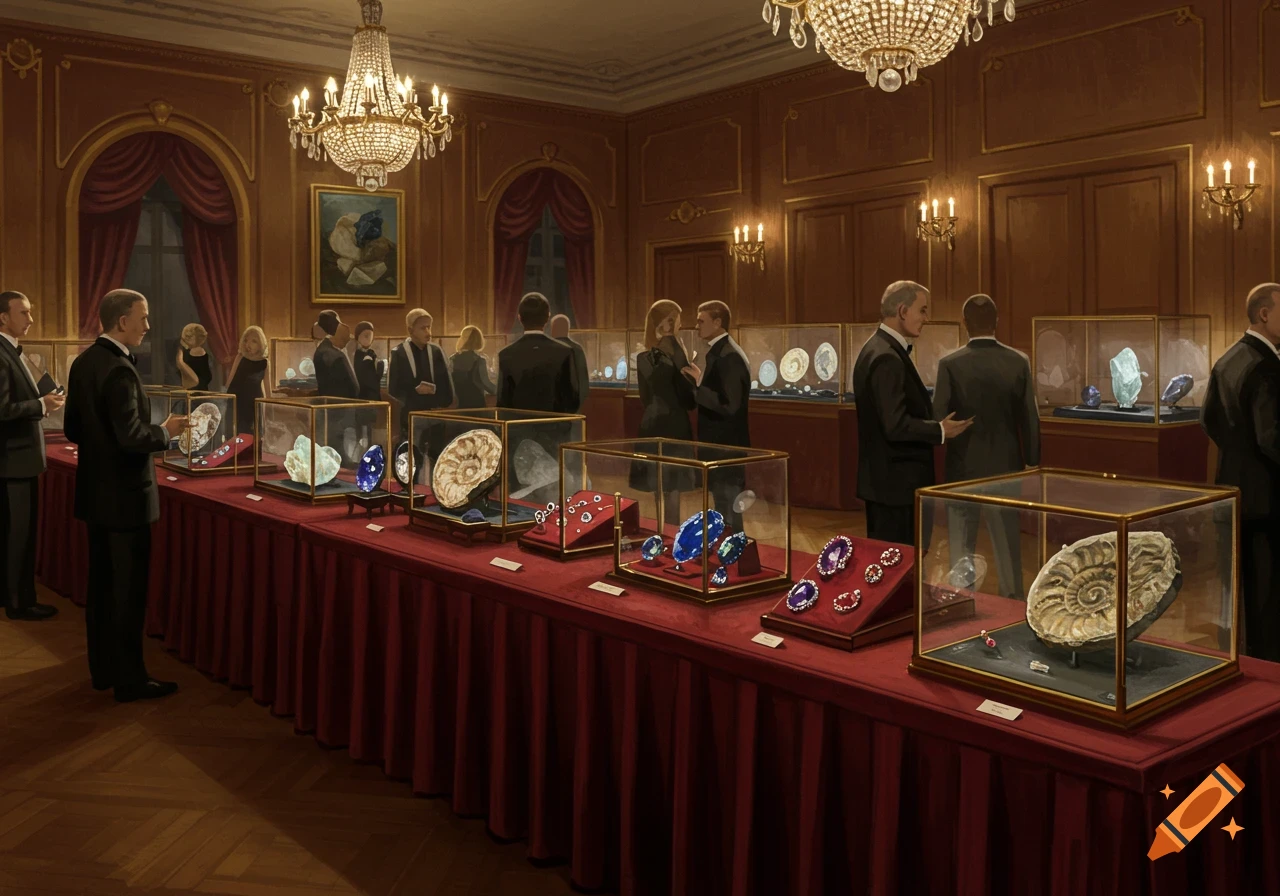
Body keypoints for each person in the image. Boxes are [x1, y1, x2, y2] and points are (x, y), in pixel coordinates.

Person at [65, 289, 187, 702]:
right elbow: (133, 437)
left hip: (96, 495)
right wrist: (166, 432)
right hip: (127, 500)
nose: (148, 326)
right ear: (122, 321)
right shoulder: (119, 369)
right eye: (143, 317)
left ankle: (103, 671)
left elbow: (73, 429)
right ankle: (130, 680)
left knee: (102, 590)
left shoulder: (84, 362)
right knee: (127, 595)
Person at [933, 295, 1039, 597]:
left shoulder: (949, 364)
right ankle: (1012, 604)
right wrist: (1032, 460)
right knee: (1007, 547)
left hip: (961, 467)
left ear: (965, 323)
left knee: (960, 548)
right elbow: (1029, 417)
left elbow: (938, 416)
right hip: (1005, 468)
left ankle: (960, 601)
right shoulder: (1018, 361)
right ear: (997, 321)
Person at [853, 281, 973, 546]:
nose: (926, 318)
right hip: (897, 489)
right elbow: (895, 425)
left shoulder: (877, 348)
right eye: (923, 310)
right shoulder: (886, 357)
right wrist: (940, 430)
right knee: (900, 561)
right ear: (903, 311)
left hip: (888, 486)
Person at [1201, 282, 1280, 662]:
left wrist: (1239, 454)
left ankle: (1239, 657)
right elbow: (1271, 438)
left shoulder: (1227, 359)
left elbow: (1208, 420)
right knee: (1267, 591)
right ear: (1265, 314)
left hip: (1233, 490)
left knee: (1236, 587)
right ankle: (1268, 666)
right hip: (1268, 498)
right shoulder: (1266, 366)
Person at [0, 291, 65, 621]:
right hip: (14, 461)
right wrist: (41, 404)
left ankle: (10, 596)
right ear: (4, 318)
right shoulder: (1, 353)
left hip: (16, 460)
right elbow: (2, 410)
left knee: (13, 535)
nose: (31, 319)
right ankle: (19, 603)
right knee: (18, 538)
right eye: (23, 313)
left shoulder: (12, 350)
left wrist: (44, 400)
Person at [681, 300, 750, 532]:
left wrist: (698, 388)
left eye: (701, 321)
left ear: (718, 322)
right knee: (723, 506)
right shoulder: (722, 351)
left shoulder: (728, 355)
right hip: (721, 446)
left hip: (726, 446)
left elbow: (729, 405)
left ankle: (733, 548)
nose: (696, 326)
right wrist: (701, 380)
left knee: (729, 507)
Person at [630, 299, 696, 528]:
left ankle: (661, 531)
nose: (681, 324)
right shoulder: (676, 353)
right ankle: (671, 532)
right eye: (678, 319)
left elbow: (645, 397)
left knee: (657, 483)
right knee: (673, 485)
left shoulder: (643, 358)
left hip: (650, 422)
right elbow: (688, 398)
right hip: (674, 423)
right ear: (669, 322)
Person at [497, 292, 578, 413]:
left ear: (519, 318)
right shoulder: (565, 352)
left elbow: (502, 402)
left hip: (518, 423)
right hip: (555, 422)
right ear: (547, 318)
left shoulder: (505, 354)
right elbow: (572, 399)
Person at [388, 309, 454, 439]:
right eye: (423, 328)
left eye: (429, 327)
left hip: (435, 414)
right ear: (410, 330)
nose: (428, 333)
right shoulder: (399, 353)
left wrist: (440, 399)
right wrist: (414, 391)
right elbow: (393, 389)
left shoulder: (436, 352)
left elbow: (446, 384)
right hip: (411, 415)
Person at [225, 325, 268, 436]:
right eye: (246, 340)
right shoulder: (240, 358)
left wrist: (266, 409)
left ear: (261, 344)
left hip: (253, 404)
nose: (248, 344)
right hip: (236, 402)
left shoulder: (265, 362)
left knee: (251, 436)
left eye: (254, 341)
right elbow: (230, 381)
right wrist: (224, 399)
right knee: (234, 435)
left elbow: (266, 389)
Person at [313, 310, 358, 399]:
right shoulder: (335, 356)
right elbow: (352, 387)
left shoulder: (323, 350)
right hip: (341, 403)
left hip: (332, 402)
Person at [549, 313, 589, 413]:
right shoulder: (577, 349)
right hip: (573, 406)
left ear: (552, 329)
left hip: (550, 407)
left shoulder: (547, 348)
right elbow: (583, 381)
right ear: (567, 329)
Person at [450, 325, 497, 409]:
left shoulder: (452, 359)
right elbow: (486, 383)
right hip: (476, 404)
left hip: (460, 404)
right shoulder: (479, 360)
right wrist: (501, 391)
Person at [176, 323, 213, 391]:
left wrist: (181, 362)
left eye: (189, 337)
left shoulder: (196, 351)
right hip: (196, 388)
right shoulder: (192, 351)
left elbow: (195, 381)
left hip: (196, 388)